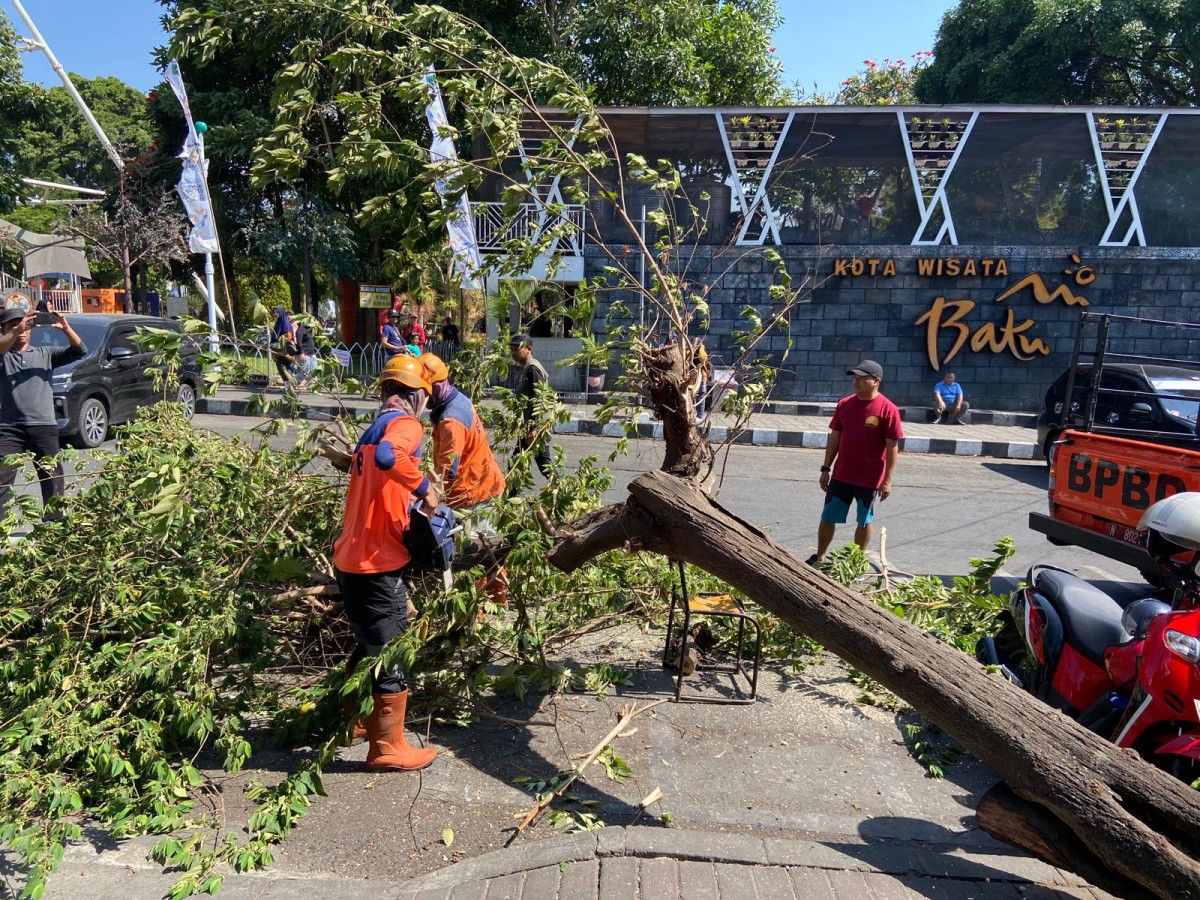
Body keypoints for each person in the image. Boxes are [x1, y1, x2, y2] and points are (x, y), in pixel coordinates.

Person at [332, 354, 440, 772]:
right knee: (393, 653)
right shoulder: (406, 425)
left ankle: (353, 722)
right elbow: (390, 460)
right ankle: (388, 748)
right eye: (424, 400)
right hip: (378, 563)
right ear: (415, 396)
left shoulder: (370, 429)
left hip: (351, 559)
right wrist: (426, 488)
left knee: (366, 646)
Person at [808, 360, 903, 565]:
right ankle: (820, 557)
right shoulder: (845, 404)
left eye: (861, 378)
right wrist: (826, 468)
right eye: (854, 377)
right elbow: (834, 439)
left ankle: (854, 563)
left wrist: (887, 480)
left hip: (869, 479)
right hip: (842, 475)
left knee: (864, 520)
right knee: (828, 516)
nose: (856, 381)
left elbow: (892, 447)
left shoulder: (888, 409)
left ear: (876, 381)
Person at [0, 308, 87, 518]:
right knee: (2, 481)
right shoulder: (3, 357)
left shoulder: (45, 354)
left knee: (52, 479)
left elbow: (80, 351)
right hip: (9, 428)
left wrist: (66, 328)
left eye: (24, 325)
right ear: (3, 330)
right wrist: (14, 332)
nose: (21, 330)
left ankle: (54, 529)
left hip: (43, 427)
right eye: (13, 326)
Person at [509, 333, 555, 478]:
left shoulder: (533, 369)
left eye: (517, 348)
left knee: (544, 465)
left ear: (528, 349)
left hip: (536, 428)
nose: (513, 352)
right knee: (517, 463)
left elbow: (539, 398)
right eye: (512, 349)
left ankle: (564, 494)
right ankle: (509, 498)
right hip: (529, 426)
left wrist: (534, 428)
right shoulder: (526, 368)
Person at [271, 306, 297, 383]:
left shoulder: (285, 323)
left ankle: (288, 383)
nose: (275, 314)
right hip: (279, 349)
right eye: (274, 312)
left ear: (281, 312)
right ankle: (289, 384)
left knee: (281, 365)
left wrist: (284, 349)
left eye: (277, 312)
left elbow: (288, 336)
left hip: (285, 349)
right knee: (285, 366)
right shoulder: (279, 322)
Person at [293, 320, 318, 388]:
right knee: (305, 373)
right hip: (304, 354)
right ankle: (291, 380)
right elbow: (299, 342)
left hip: (312, 353)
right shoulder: (300, 330)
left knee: (314, 371)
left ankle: (313, 388)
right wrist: (301, 353)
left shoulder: (311, 330)